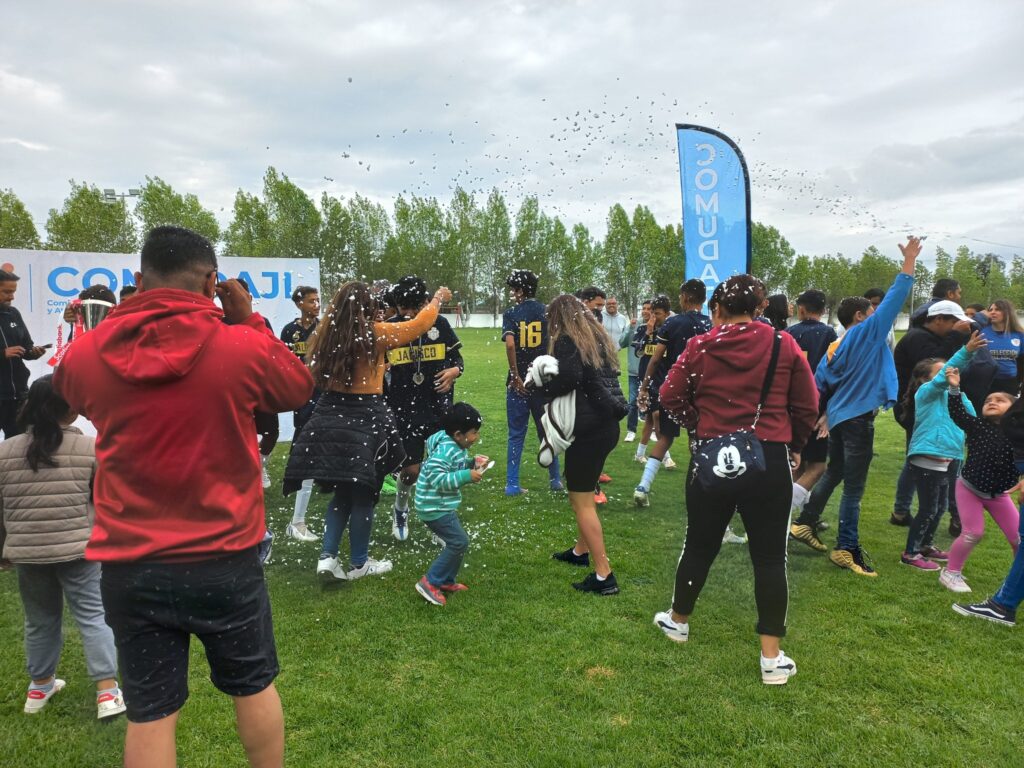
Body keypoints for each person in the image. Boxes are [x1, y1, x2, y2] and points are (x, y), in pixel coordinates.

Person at [53, 226, 314, 768]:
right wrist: (248, 317)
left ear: (138, 280)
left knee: (150, 713)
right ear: (213, 283)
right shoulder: (239, 344)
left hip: (132, 561)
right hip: (224, 556)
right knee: (253, 687)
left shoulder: (87, 354)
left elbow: (71, 393)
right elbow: (296, 387)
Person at [654, 275, 817, 685]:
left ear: (718, 309)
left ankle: (678, 621)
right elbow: (807, 404)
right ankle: (771, 657)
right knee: (768, 557)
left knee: (699, 544)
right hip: (771, 457)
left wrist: (700, 428)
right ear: (760, 308)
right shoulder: (783, 344)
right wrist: (795, 444)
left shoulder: (700, 346)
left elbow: (669, 396)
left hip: (711, 457)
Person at [284, 281, 452, 581]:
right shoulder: (376, 332)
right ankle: (359, 563)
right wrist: (438, 298)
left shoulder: (325, 334)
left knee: (341, 493)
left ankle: (328, 557)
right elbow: (421, 324)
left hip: (330, 416)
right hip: (364, 417)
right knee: (364, 492)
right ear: (367, 307)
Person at [790, 237, 921, 575]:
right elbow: (895, 298)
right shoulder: (867, 333)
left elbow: (818, 386)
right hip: (857, 419)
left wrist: (823, 415)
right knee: (855, 488)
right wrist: (909, 263)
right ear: (861, 316)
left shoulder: (835, 345)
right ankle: (846, 547)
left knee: (836, 471)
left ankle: (805, 521)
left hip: (839, 419)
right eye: (872, 312)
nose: (879, 315)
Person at [0, 375, 124, 720]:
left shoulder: (4, 451)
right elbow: (107, 500)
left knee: (39, 621)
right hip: (81, 550)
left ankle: (39, 687)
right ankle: (108, 693)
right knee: (93, 617)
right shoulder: (89, 448)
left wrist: (3, 550)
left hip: (27, 553)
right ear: (71, 408)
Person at [533, 295, 627, 595]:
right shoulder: (597, 339)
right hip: (606, 426)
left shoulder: (567, 340)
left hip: (588, 430)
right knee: (587, 493)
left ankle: (603, 575)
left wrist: (543, 384)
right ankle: (579, 552)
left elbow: (570, 378)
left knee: (581, 501)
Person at [385, 276, 463, 541]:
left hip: (437, 406)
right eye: (402, 308)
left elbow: (458, 361)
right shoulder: (391, 328)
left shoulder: (439, 324)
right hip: (403, 408)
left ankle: (439, 523)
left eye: (412, 308)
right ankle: (401, 508)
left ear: (422, 303)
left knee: (440, 469)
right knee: (411, 471)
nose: (408, 314)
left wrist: (454, 371)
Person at [899, 335, 983, 571]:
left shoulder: (958, 396)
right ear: (926, 379)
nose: (949, 374)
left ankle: (925, 545)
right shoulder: (926, 393)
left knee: (941, 506)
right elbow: (946, 373)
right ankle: (910, 552)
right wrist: (966, 350)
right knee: (928, 508)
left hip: (952, 457)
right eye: (942, 372)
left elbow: (970, 422)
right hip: (928, 456)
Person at [890, 299, 973, 527]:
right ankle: (916, 510)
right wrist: (956, 338)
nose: (960, 326)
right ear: (938, 319)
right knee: (918, 458)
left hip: (923, 406)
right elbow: (931, 369)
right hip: (915, 407)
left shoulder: (930, 338)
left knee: (916, 458)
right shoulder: (918, 338)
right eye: (955, 322)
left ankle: (902, 510)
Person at [942, 368, 1020, 592]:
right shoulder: (977, 426)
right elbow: (957, 413)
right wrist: (954, 387)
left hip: (999, 495)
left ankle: (1018, 578)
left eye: (1000, 400)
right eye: (988, 400)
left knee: (1018, 539)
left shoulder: (1019, 434)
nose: (992, 402)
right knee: (973, 532)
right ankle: (951, 573)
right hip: (969, 488)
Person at [633, 280, 711, 507]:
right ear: (704, 300)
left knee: (665, 437)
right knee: (697, 440)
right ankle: (702, 491)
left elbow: (656, 359)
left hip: (674, 388)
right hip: (701, 391)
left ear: (684, 297)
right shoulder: (711, 325)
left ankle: (643, 487)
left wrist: (645, 386)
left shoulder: (673, 323)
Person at [413, 402, 485, 606]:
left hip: (439, 505)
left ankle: (446, 580)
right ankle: (430, 582)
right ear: (458, 435)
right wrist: (466, 475)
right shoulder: (446, 449)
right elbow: (438, 479)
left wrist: (472, 464)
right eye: (473, 433)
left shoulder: (453, 445)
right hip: (434, 507)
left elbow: (455, 464)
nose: (476, 437)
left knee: (458, 542)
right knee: (458, 542)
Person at [501, 270, 562, 496]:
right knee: (547, 431)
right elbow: (556, 344)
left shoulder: (512, 313)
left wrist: (516, 375)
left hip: (518, 383)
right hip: (543, 382)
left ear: (520, 290)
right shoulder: (548, 312)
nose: (511, 294)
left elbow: (509, 345)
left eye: (513, 289)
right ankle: (555, 479)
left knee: (516, 433)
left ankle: (512, 483)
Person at [786, 289, 838, 537]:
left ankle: (806, 515)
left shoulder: (788, 334)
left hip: (789, 406)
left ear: (801, 309)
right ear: (823, 310)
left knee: (798, 465)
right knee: (817, 467)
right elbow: (833, 371)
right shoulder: (828, 334)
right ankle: (782, 516)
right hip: (816, 407)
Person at [280, 285, 322, 543]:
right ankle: (297, 520)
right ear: (299, 304)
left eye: (318, 300)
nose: (316, 305)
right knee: (305, 448)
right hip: (303, 399)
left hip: (324, 396)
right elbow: (283, 364)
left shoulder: (325, 328)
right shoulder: (289, 331)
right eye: (311, 301)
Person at [0, 269, 48, 438]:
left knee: (18, 446)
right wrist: (2, 354)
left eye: (13, 292)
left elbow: (26, 347)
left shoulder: (14, 313)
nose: (12, 297)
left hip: (17, 396)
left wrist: (33, 352)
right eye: (7, 292)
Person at [632, 296, 676, 470]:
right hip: (647, 379)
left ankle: (639, 454)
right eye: (650, 312)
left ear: (666, 313)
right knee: (657, 415)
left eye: (656, 312)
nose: (652, 316)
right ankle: (666, 457)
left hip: (664, 378)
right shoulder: (643, 328)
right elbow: (638, 352)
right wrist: (648, 334)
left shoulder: (671, 329)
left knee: (650, 419)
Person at [980, 299, 1024, 396]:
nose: (993, 312)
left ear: (1007, 312)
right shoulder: (982, 332)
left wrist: (1020, 382)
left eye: (997, 309)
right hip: (986, 382)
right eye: (990, 310)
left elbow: (1022, 361)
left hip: (1010, 383)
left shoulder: (1019, 334)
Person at [623, 300, 651, 442]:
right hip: (635, 372)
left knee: (652, 401)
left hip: (651, 372)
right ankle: (631, 430)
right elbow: (622, 342)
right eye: (644, 308)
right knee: (633, 401)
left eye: (649, 309)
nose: (645, 311)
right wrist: (629, 328)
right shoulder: (636, 325)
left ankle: (651, 429)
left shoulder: (660, 326)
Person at [863, 288, 896, 352]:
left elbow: (892, 347)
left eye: (881, 304)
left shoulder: (887, 323)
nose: (878, 307)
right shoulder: (855, 323)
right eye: (874, 303)